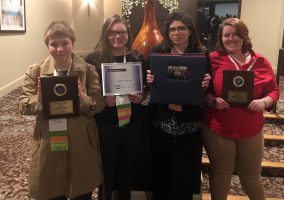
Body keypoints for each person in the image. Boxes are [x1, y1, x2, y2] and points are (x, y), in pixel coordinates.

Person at [19, 21, 105, 200]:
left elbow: (99, 103)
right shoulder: (35, 73)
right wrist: (39, 100)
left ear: (73, 43)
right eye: (54, 44)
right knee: (51, 189)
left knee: (81, 191)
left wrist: (84, 99)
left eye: (65, 43)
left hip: (81, 141)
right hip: (49, 141)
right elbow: (23, 105)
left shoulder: (88, 71)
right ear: (47, 45)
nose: (60, 49)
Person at [203, 18, 279, 200]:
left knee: (251, 176)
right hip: (219, 128)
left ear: (244, 36)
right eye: (226, 35)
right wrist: (212, 101)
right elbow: (200, 90)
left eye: (236, 34)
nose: (231, 39)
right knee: (221, 173)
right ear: (220, 38)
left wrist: (264, 102)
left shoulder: (260, 61)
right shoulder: (212, 59)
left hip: (251, 128)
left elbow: (274, 91)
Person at [146, 11, 211, 200]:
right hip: (161, 124)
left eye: (181, 28)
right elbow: (148, 84)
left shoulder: (202, 54)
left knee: (184, 176)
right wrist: (149, 79)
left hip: (189, 126)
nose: (176, 32)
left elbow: (207, 90)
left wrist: (207, 85)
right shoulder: (158, 51)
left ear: (190, 30)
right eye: (172, 29)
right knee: (160, 174)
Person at [85, 14, 146, 200]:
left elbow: (144, 89)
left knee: (128, 168)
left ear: (128, 34)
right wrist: (104, 100)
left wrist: (141, 95)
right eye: (112, 33)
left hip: (132, 123)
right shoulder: (93, 58)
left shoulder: (137, 57)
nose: (117, 37)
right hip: (106, 124)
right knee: (107, 169)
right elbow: (88, 93)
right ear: (105, 34)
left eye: (122, 33)